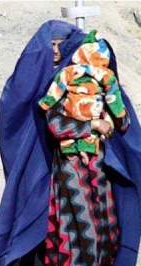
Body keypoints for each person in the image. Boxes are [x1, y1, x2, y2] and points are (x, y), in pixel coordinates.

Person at [0, 20, 141, 266]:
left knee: (107, 237)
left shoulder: (103, 84)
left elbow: (125, 126)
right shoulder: (62, 84)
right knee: (83, 236)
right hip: (71, 174)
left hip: (101, 175)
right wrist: (91, 124)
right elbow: (55, 123)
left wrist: (112, 107)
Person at [39, 29, 127, 166]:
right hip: (71, 167)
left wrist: (110, 102)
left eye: (60, 45)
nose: (56, 50)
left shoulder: (105, 80)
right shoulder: (65, 82)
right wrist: (94, 124)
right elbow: (55, 125)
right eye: (53, 45)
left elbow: (123, 123)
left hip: (104, 164)